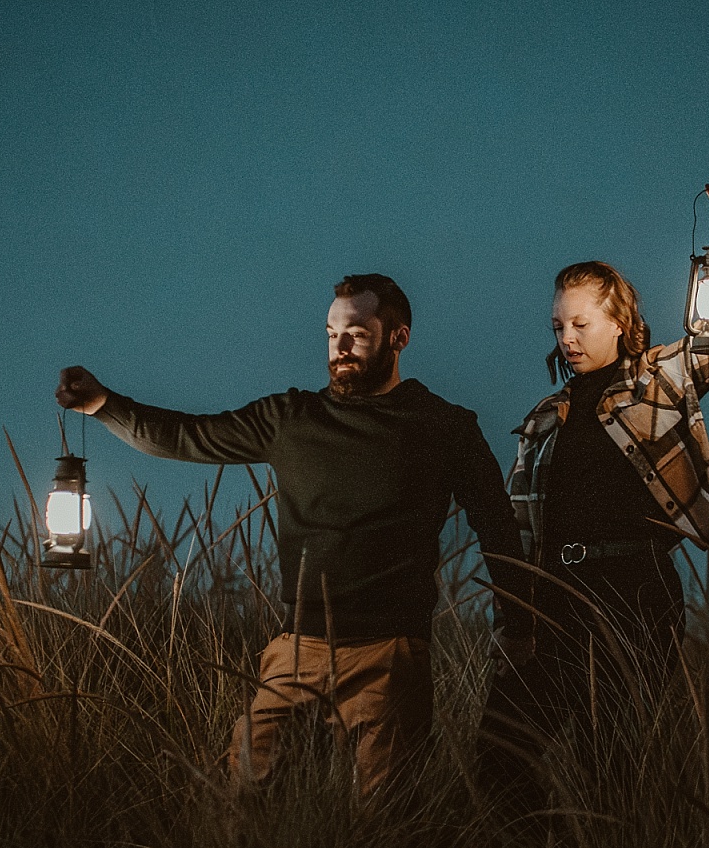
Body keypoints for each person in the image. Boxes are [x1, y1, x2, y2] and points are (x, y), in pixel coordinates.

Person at [56, 273, 528, 795]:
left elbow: (497, 526)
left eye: (357, 333)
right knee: (240, 798)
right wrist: (103, 405)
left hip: (390, 656)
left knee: (387, 827)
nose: (340, 347)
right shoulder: (291, 418)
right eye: (331, 333)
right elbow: (186, 436)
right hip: (295, 651)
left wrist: (520, 622)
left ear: (399, 337)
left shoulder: (444, 426)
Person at [476, 177, 709, 812]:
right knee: (499, 754)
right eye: (558, 325)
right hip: (554, 594)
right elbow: (519, 529)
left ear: (619, 320)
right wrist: (514, 617)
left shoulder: (657, 381)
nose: (568, 337)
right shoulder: (544, 418)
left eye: (581, 322)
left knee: (611, 761)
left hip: (633, 589)